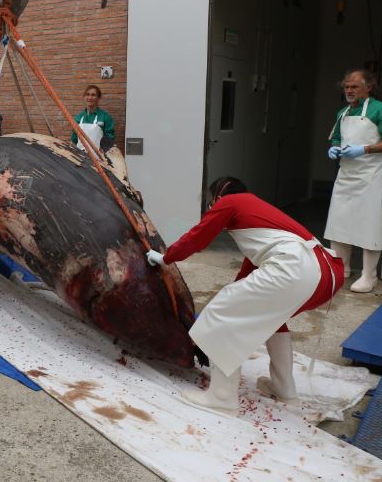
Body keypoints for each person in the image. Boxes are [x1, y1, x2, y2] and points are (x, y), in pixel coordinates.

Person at [146, 177, 343, 415]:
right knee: (270, 319)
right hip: (326, 275)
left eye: (211, 203)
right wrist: (235, 305)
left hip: (295, 268)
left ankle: (221, 397)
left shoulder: (230, 202)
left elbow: (198, 236)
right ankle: (284, 389)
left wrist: (166, 258)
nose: (211, 207)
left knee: (221, 314)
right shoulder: (259, 213)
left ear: (218, 197)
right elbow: (248, 272)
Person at [324, 68, 382, 293]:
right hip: (346, 175)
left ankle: (369, 276)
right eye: (346, 87)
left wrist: (364, 149)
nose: (349, 91)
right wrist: (334, 148)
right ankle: (340, 268)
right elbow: (335, 137)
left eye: (354, 86)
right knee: (338, 221)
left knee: (369, 224)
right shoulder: (342, 113)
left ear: (369, 87)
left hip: (371, 176)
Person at [71, 85, 115, 151]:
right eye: (87, 94)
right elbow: (74, 141)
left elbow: (110, 142)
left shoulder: (105, 117)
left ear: (98, 98)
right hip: (80, 158)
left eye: (93, 95)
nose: (90, 97)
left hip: (98, 158)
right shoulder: (78, 118)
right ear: (84, 97)